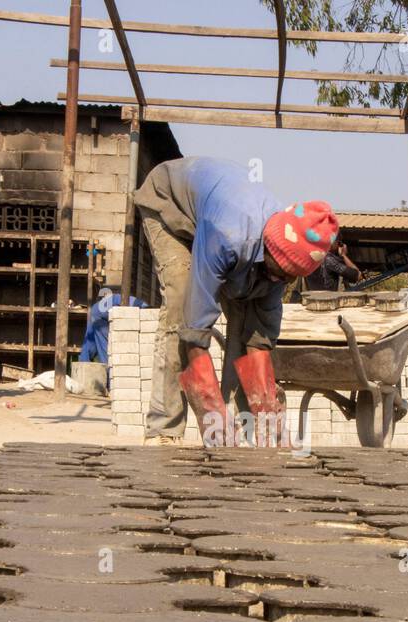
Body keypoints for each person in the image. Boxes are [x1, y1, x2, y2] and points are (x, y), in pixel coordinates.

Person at [133, 157, 337, 447]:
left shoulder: (280, 267)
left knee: (243, 322)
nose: (276, 281)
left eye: (286, 277)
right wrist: (210, 413)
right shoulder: (229, 236)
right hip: (172, 206)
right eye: (275, 270)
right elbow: (195, 331)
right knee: (180, 308)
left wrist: (268, 418)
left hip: (219, 217)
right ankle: (164, 428)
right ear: (268, 247)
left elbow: (258, 340)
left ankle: (247, 428)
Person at [79, 286, 145, 366]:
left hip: (105, 315)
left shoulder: (100, 307)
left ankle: (107, 369)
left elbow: (89, 347)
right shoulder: (110, 302)